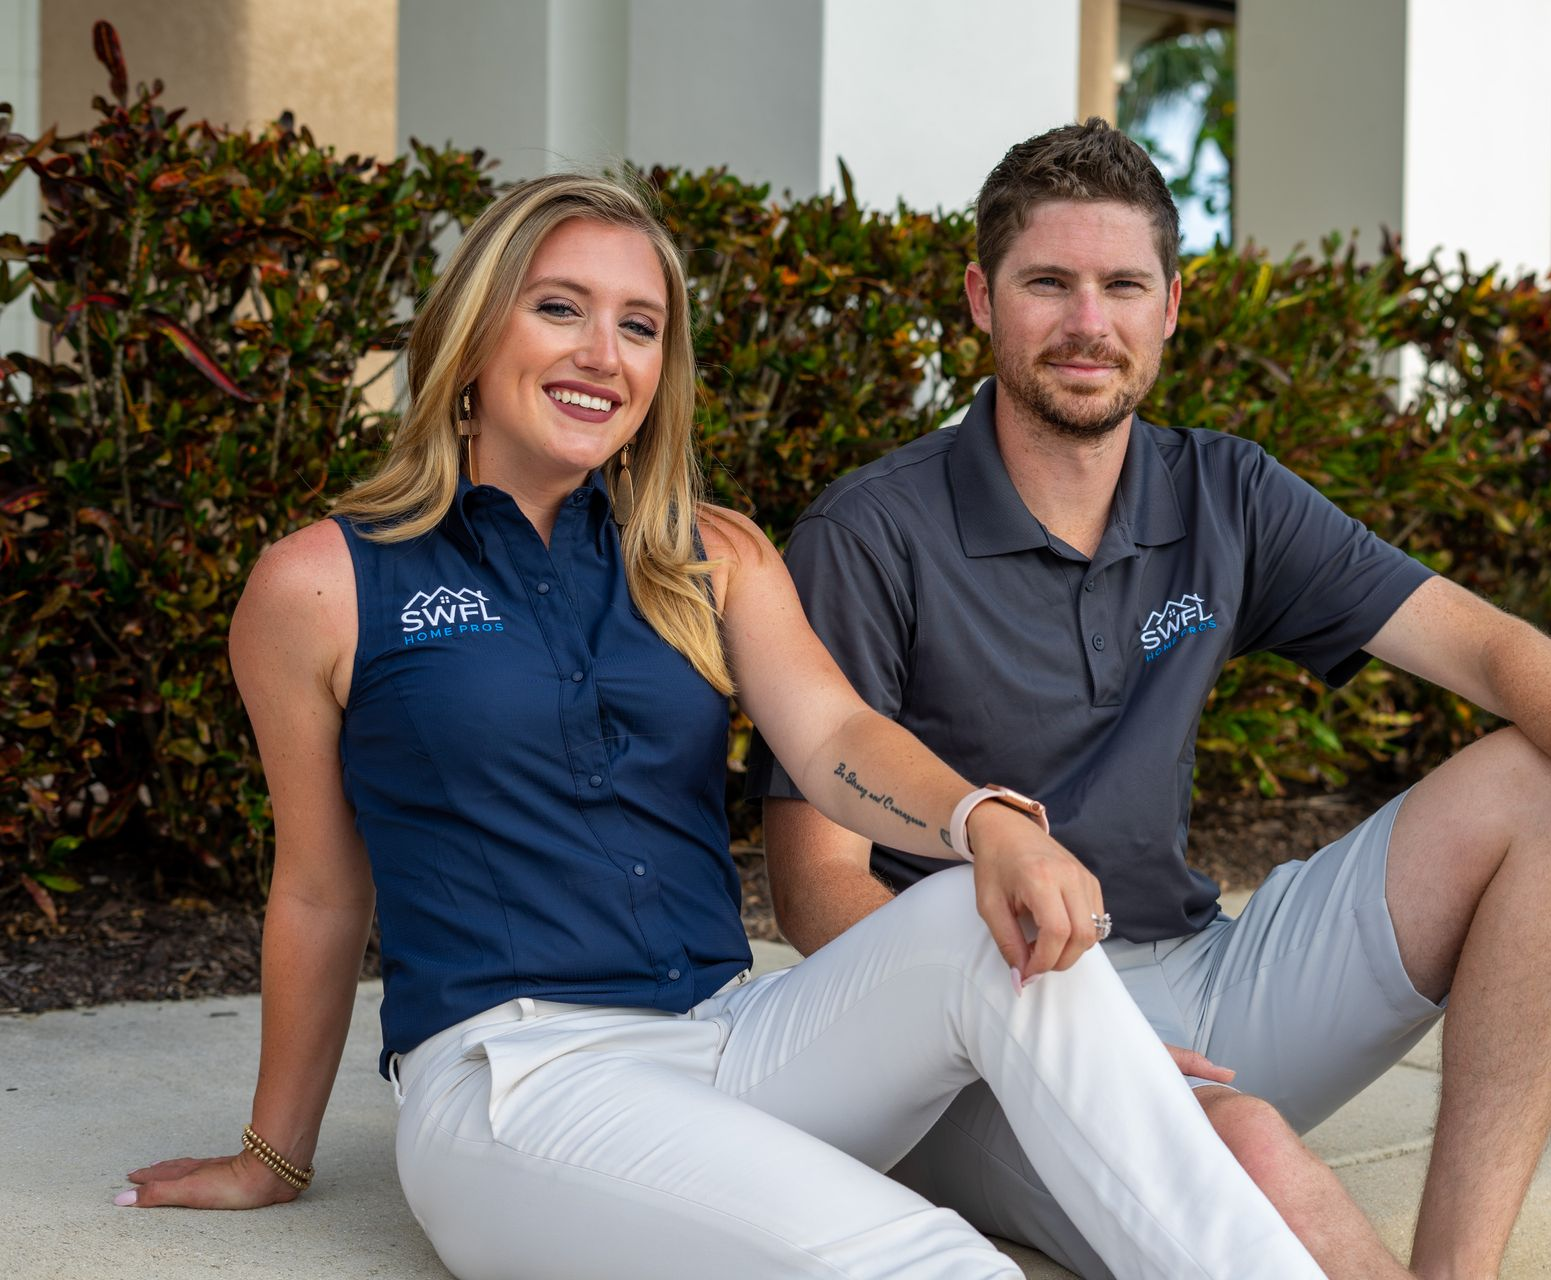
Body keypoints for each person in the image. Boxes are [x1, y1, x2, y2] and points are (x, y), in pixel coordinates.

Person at [111, 172, 1333, 1280]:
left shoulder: (710, 555)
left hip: (735, 1037)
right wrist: (273, 1151)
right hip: (520, 1080)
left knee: (980, 901)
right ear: (473, 333)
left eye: (640, 326)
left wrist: (983, 822)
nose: (605, 353)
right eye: (560, 309)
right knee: (922, 1256)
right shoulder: (319, 585)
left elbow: (836, 738)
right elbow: (322, 891)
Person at [749, 119, 1551, 1280]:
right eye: (1048, 282)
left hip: (1199, 978)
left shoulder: (1223, 490)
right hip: (974, 1038)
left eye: (1122, 286)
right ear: (982, 301)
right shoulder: (872, 532)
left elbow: (1492, 649)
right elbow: (815, 887)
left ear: (1171, 308)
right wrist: (1066, 1038)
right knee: (1247, 1146)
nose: (1088, 322)